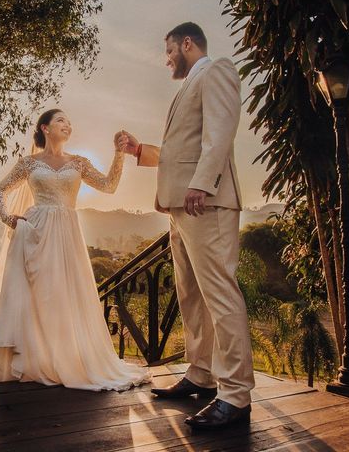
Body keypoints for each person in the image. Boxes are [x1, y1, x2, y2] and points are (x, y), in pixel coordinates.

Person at [116, 22, 255, 430]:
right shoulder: (188, 87)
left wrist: (201, 183)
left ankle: (235, 396)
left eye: (170, 51)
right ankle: (201, 374)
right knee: (191, 295)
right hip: (182, 208)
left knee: (220, 295)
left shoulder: (217, 71)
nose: (167, 59)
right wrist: (140, 150)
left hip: (205, 202)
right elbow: (182, 151)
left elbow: (220, 132)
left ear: (187, 43)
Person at [0, 108, 151, 391]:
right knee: (38, 297)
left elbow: (109, 186)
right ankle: (37, 362)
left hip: (67, 234)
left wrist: (119, 153)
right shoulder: (28, 163)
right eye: (61, 120)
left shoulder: (79, 163)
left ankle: (66, 361)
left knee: (65, 295)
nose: (68, 125)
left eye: (70, 122)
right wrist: (8, 217)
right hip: (35, 232)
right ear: (45, 128)